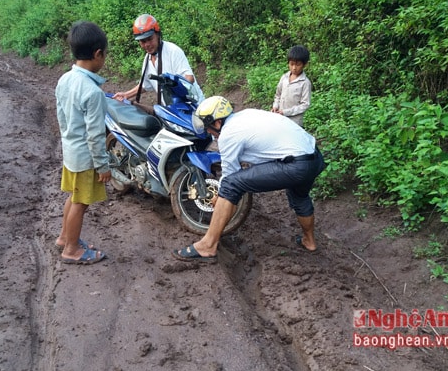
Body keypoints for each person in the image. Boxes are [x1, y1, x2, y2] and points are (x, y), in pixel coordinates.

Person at [172, 96, 325, 263]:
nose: (208, 132)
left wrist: (219, 198)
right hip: (314, 157)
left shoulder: (228, 134)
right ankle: (309, 241)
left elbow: (230, 175)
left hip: (295, 165)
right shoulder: (246, 115)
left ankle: (208, 245)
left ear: (217, 123)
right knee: (299, 196)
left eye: (208, 127)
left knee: (231, 184)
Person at [54, 21, 111, 265]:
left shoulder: (65, 79)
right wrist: (103, 165)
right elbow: (96, 135)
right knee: (81, 202)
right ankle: (72, 249)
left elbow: (61, 117)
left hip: (71, 152)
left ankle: (64, 238)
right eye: (105, 55)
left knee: (73, 197)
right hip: (86, 158)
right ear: (98, 54)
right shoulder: (93, 92)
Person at [113, 14, 205, 106]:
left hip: (194, 108)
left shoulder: (173, 51)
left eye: (150, 39)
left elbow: (189, 78)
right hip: (173, 112)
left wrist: (173, 87)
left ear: (157, 35)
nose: (147, 44)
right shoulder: (147, 60)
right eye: (143, 41)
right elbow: (145, 85)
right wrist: (126, 95)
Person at [271, 45, 312, 128]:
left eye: (298, 65)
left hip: (295, 122)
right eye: (291, 64)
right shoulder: (284, 77)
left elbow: (305, 105)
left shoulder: (305, 83)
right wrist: (275, 106)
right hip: (280, 117)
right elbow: (278, 95)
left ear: (305, 65)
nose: (294, 68)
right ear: (288, 63)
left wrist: (286, 112)